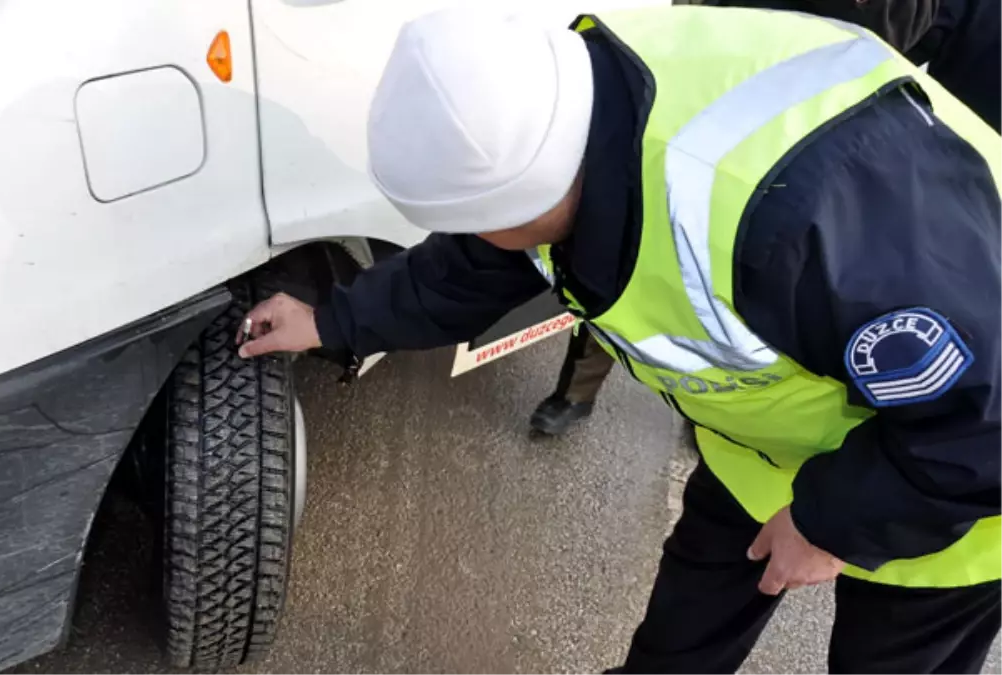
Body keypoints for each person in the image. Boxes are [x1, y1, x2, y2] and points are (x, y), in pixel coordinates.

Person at [238, 6, 1002, 673]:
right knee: (684, 629)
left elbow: (985, 419)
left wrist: (831, 524)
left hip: (958, 496)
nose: (478, 239)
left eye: (483, 223)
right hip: (767, 453)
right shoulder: (565, 105)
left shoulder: (793, 215)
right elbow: (476, 263)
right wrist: (332, 319)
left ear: (530, 198)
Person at [530, 0, 1000, 437]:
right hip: (692, 92)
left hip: (795, 139)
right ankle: (577, 390)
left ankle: (727, 412)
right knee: (611, 254)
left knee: (750, 301)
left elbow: (898, 42)